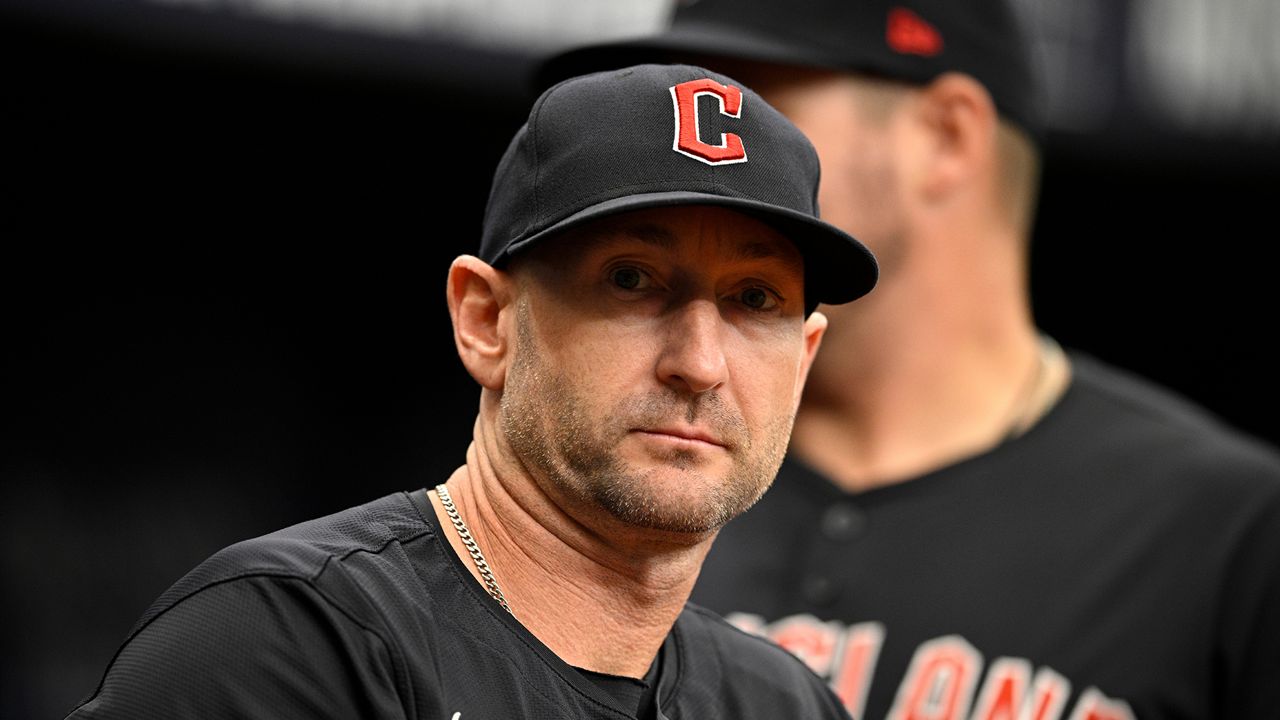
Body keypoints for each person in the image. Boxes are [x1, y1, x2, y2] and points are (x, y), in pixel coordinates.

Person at [63, 62, 882, 719]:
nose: (700, 364)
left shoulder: (782, 702)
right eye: (632, 280)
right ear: (486, 320)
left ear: (805, 359)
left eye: (754, 299)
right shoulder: (282, 648)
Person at [534, 2, 1280, 719]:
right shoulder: (612, 468)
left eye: (748, 105)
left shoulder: (1232, 533)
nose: (680, 150)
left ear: (947, 138)